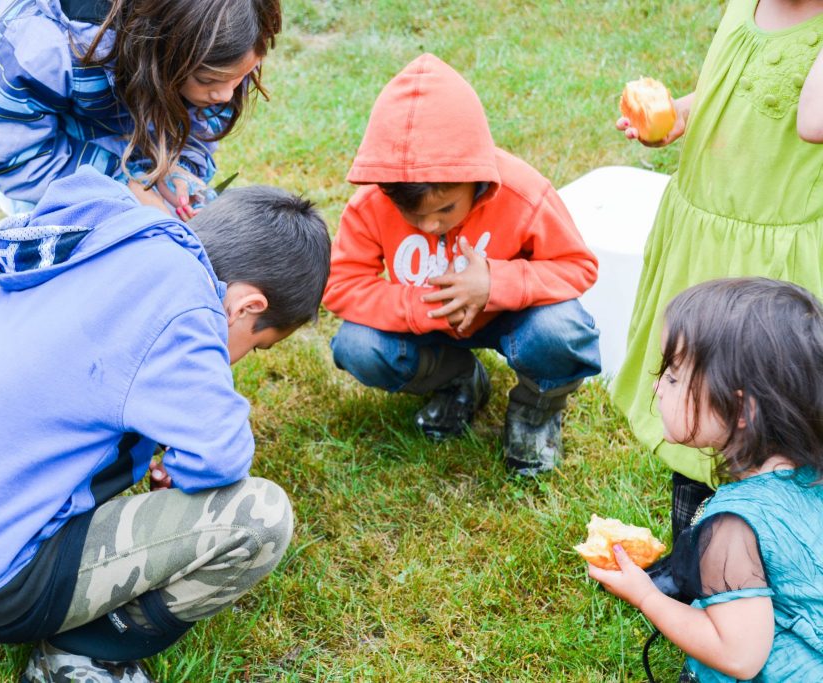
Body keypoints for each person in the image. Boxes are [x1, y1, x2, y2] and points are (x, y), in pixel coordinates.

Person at [0, 166, 331, 682]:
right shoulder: (183, 304)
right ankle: (81, 653)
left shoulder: (115, 232)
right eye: (255, 346)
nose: (240, 360)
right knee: (259, 518)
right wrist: (190, 469)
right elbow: (223, 454)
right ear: (247, 307)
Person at [322, 53, 601, 476]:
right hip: (428, 329)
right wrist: (419, 305)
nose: (430, 225)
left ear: (477, 179)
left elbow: (577, 266)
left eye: (446, 209)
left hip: (515, 320)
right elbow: (341, 285)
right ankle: (458, 381)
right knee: (356, 346)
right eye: (413, 217)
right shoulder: (371, 205)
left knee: (562, 331)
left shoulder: (524, 193)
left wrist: (495, 283)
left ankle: (534, 412)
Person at [611, 0, 823, 549]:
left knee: (759, 400)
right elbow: (725, 91)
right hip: (705, 234)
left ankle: (766, 543)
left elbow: (812, 120)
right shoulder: (747, 5)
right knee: (693, 379)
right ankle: (694, 543)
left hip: (771, 254)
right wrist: (676, 117)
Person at [589, 278, 823, 682]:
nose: (658, 387)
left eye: (676, 378)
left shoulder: (732, 526)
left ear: (740, 410)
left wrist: (645, 596)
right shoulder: (811, 478)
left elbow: (739, 656)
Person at [0, 0, 281, 216]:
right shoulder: (41, 45)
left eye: (240, 78)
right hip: (45, 157)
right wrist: (122, 189)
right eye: (209, 78)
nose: (226, 95)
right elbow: (15, 156)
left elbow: (198, 119)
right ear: (163, 44)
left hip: (125, 99)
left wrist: (179, 166)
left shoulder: (217, 36)